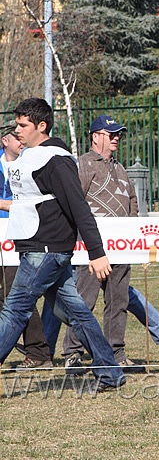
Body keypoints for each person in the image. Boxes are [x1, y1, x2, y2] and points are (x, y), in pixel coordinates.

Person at [0, 98, 124, 392]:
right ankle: (110, 373)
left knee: (15, 309)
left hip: (45, 249)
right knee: (76, 312)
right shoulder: (31, 156)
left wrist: (97, 253)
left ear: (41, 126)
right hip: (38, 246)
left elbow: (79, 207)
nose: (17, 129)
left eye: (23, 124)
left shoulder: (56, 159)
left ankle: (109, 372)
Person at [59, 114, 159, 374]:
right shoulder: (83, 165)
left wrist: (134, 238)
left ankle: (116, 352)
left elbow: (132, 205)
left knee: (118, 302)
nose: (116, 138)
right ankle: (73, 353)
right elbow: (74, 203)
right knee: (83, 301)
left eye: (118, 134)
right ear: (95, 136)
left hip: (121, 247)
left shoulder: (121, 168)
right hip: (92, 250)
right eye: (110, 133)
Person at [0, 123, 53, 370]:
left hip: (19, 235)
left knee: (17, 294)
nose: (21, 139)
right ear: (4, 141)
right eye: (15, 135)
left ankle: (38, 351)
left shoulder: (30, 162)